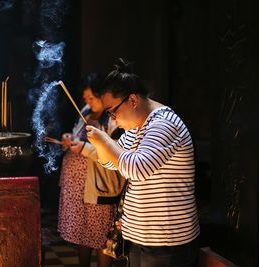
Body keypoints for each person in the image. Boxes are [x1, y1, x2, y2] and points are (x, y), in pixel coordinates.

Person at [86, 59, 200, 267]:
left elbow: (136, 168)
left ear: (132, 100)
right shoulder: (137, 127)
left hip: (167, 243)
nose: (111, 118)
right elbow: (112, 163)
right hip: (140, 239)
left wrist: (104, 142)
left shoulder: (163, 124)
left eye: (113, 111)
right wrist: (101, 144)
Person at [57, 73, 125, 267]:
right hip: (77, 190)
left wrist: (84, 148)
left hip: (98, 188)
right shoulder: (85, 111)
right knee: (82, 234)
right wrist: (68, 138)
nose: (88, 102)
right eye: (85, 99)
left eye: (92, 98)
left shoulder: (112, 121)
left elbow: (114, 153)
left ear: (103, 96)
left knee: (101, 237)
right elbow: (76, 134)